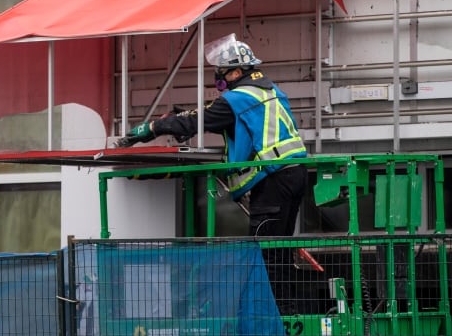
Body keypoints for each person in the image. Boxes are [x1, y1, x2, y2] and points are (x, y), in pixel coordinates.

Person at [117, 33, 309, 314]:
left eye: (220, 74)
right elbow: (216, 117)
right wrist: (178, 117)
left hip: (273, 181)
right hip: (294, 174)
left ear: (234, 72)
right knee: (278, 251)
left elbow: (199, 120)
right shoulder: (268, 91)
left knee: (264, 252)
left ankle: (276, 316)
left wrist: (154, 129)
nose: (219, 80)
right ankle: (287, 311)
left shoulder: (238, 97)